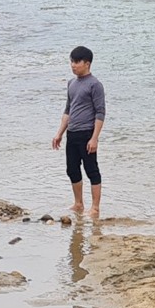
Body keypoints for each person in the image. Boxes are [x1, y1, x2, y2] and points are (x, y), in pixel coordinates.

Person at [50, 45, 104, 218]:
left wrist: (94, 138)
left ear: (87, 63)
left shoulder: (95, 85)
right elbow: (68, 110)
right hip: (72, 133)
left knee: (91, 170)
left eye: (77, 62)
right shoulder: (71, 83)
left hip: (87, 133)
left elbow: (100, 113)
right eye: (71, 61)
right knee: (72, 169)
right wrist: (59, 133)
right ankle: (78, 203)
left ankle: (95, 208)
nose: (73, 65)